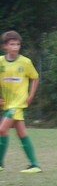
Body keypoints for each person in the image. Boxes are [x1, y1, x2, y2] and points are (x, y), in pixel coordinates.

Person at [0, 31, 43, 173]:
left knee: (2, 129)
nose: (15, 47)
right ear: (5, 46)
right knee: (21, 133)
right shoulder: (0, 62)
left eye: (17, 44)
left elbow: (35, 78)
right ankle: (34, 165)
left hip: (18, 103)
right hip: (8, 104)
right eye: (12, 44)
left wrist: (30, 95)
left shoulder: (25, 62)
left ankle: (0, 163)